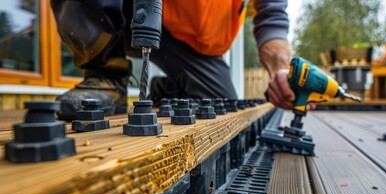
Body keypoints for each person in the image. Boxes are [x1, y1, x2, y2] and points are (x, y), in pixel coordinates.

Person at [51, 0, 294, 120]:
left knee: (221, 109)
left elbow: (272, 16)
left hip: (194, 43)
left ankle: (167, 91)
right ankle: (104, 75)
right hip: (129, 10)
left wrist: (281, 70)